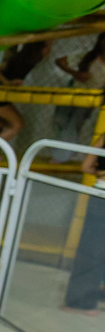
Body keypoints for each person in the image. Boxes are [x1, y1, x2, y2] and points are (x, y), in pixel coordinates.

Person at [0, 41, 49, 158]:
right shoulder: (20, 61)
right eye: (46, 46)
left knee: (12, 122)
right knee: (17, 125)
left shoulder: (27, 61)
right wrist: (8, 83)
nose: (49, 50)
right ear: (38, 49)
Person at [62, 134, 105, 313]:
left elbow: (86, 166)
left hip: (100, 194)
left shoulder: (103, 137)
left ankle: (82, 302)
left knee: (90, 249)